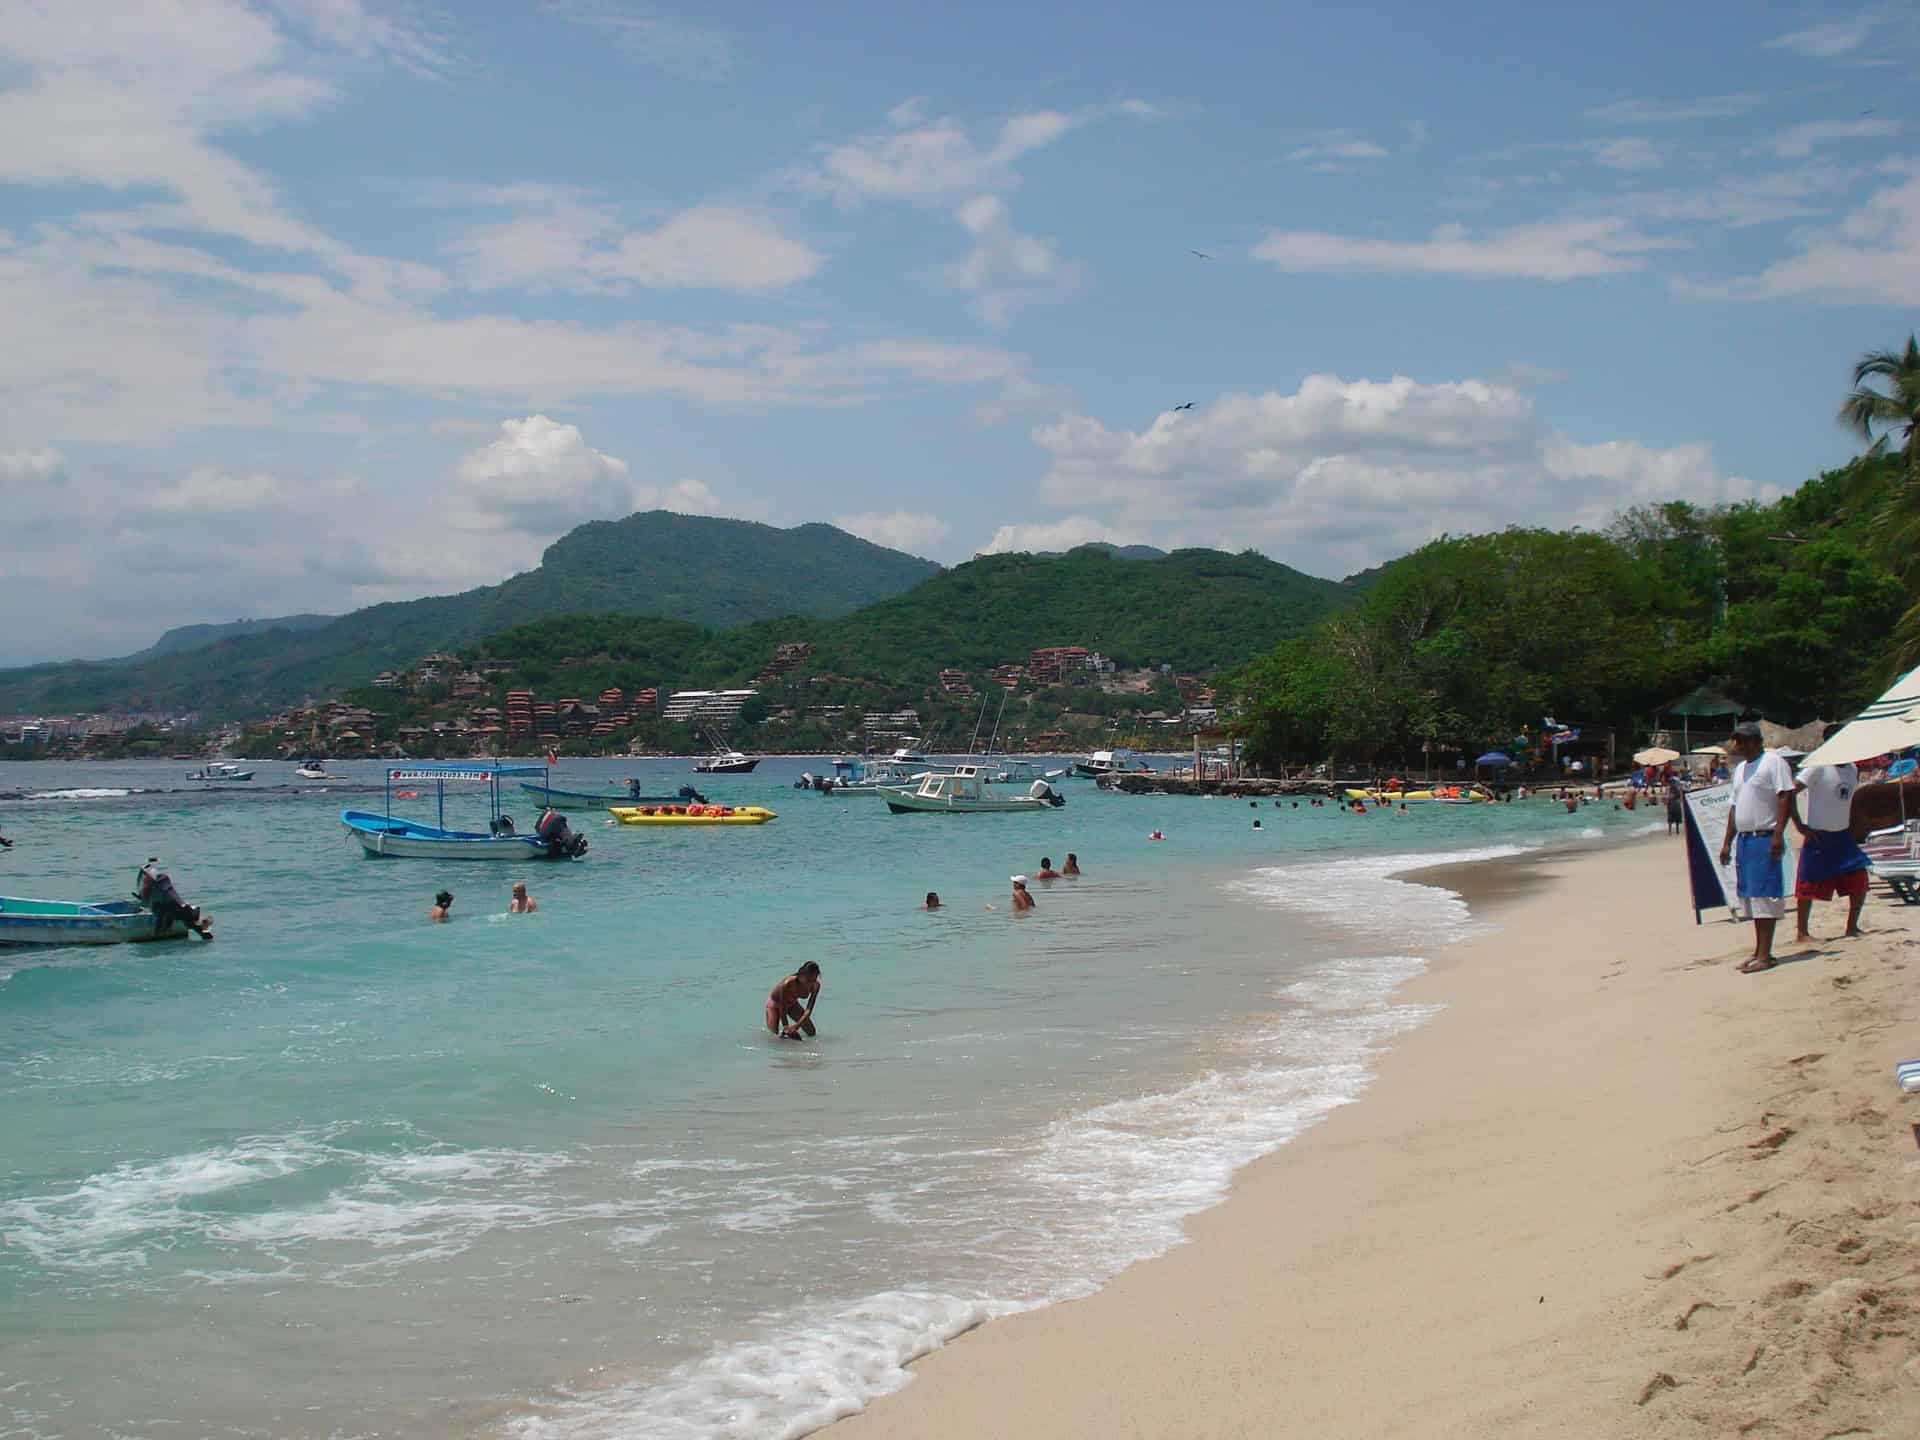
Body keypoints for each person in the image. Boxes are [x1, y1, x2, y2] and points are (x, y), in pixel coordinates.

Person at [1718, 722, 1797, 972]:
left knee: (1765, 896)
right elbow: (1734, 807)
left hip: (1765, 836)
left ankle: (1765, 954)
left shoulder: (1773, 762)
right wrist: (1727, 842)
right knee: (1752, 897)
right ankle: (1759, 950)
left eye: (1742, 740)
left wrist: (1778, 834)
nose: (1738, 745)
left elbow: (1785, 796)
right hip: (1745, 840)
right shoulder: (1741, 769)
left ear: (1755, 741)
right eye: (1737, 740)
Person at [1791, 759, 1869, 941]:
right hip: (1819, 835)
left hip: (1842, 835)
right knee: (1807, 884)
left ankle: (1852, 927)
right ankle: (1802, 933)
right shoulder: (1818, 767)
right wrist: (1799, 825)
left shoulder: (1852, 769)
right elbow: (1790, 792)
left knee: (1859, 880)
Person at [136, 858, 213, 939]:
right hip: (180, 910)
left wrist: (158, 931)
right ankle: (203, 932)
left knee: (185, 919)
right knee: (188, 920)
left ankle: (203, 931)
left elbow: (163, 913)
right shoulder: (163, 892)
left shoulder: (158, 894)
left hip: (177, 911)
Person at [766, 961, 821, 1038]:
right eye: (808, 979)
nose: (810, 983)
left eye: (814, 979)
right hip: (775, 1004)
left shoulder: (815, 986)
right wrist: (786, 1027)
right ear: (801, 975)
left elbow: (808, 1010)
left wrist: (797, 1026)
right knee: (774, 1035)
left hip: (792, 1004)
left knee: (811, 1032)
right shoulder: (788, 983)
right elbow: (782, 1007)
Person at [1665, 771, 1686, 836]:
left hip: (1672, 804)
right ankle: (1676, 831)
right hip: (1675, 804)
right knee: (1676, 818)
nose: (1672, 783)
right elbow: (1680, 797)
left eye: (1672, 782)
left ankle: (1671, 831)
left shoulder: (1669, 789)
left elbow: (1668, 797)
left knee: (1671, 818)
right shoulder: (1677, 788)